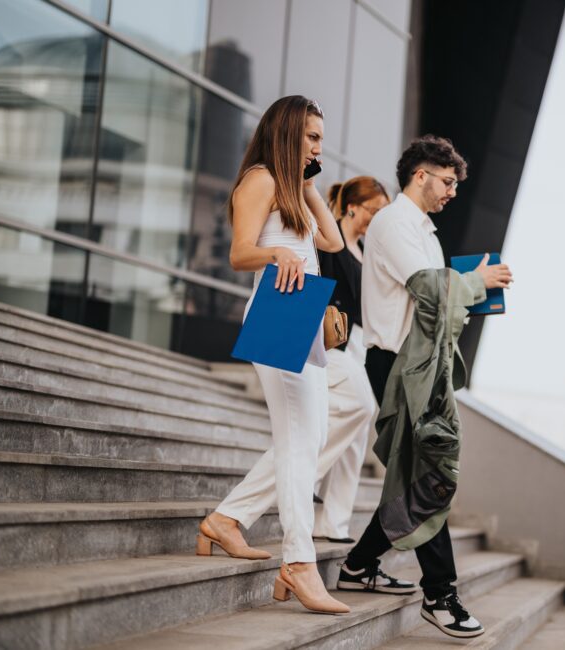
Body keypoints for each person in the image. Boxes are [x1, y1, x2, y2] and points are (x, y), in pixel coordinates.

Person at [334, 135, 513, 638]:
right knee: (426, 475)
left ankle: (358, 565)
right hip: (395, 364)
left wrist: (470, 287)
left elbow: (436, 303)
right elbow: (432, 291)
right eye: (448, 182)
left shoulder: (424, 231)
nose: (453, 192)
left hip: (418, 366)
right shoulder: (394, 224)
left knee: (418, 473)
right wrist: (479, 282)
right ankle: (441, 594)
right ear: (420, 175)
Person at [196, 95, 349, 615]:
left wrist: (308, 182)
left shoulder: (290, 187)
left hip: (300, 314)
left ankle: (226, 519)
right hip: (277, 312)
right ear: (286, 133)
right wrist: (277, 251)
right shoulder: (258, 179)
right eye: (310, 136)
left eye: (321, 138)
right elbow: (241, 253)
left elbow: (332, 240)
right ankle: (298, 563)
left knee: (311, 437)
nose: (318, 146)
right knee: (300, 442)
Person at [311, 177, 390, 545]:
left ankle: (334, 524)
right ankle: (303, 478)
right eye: (374, 210)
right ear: (352, 206)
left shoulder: (367, 253)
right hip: (333, 344)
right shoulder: (330, 242)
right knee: (356, 409)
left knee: (357, 436)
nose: (377, 219)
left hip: (359, 346)